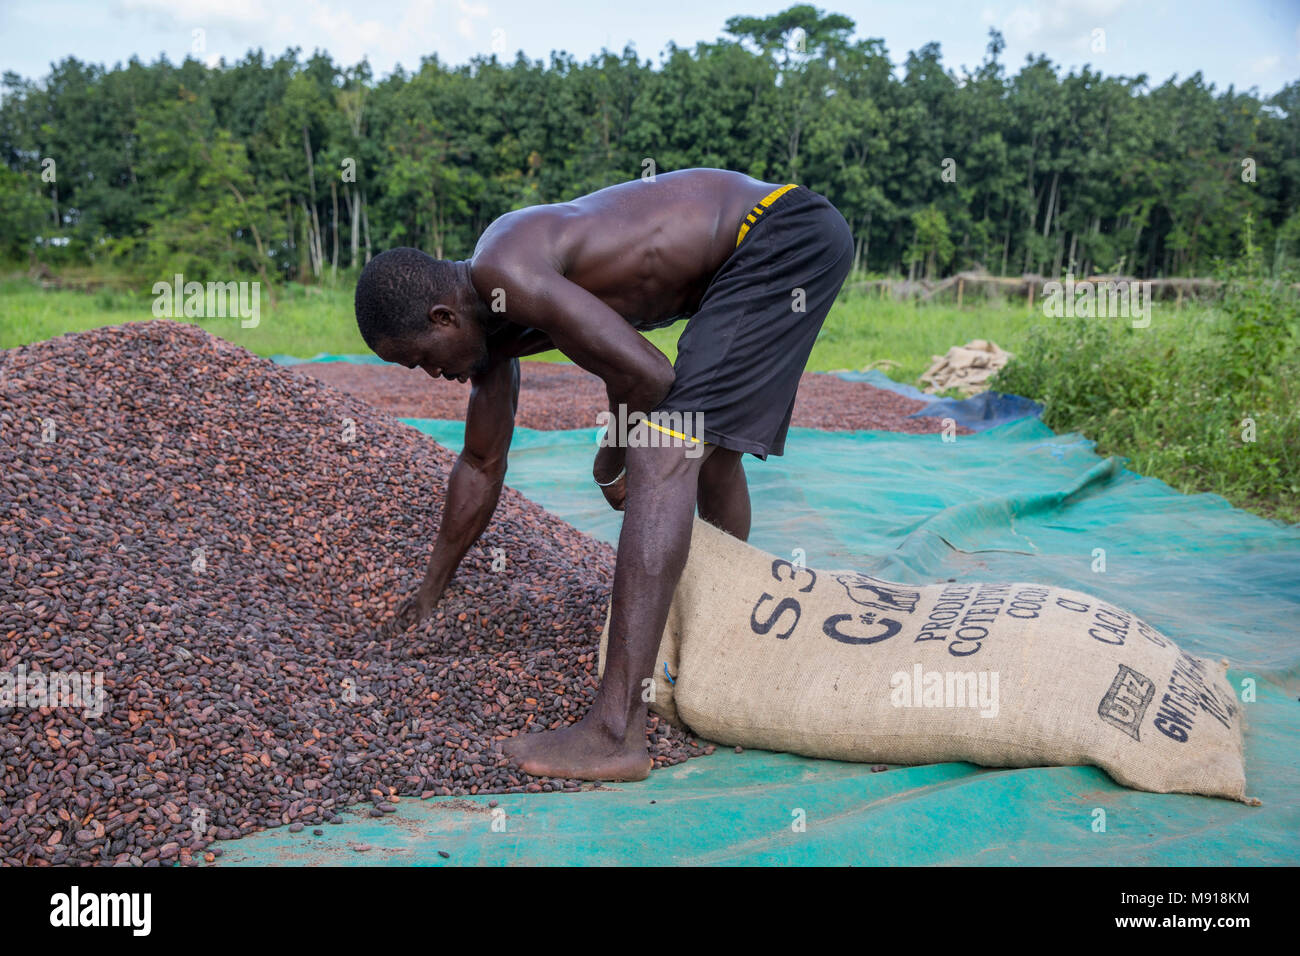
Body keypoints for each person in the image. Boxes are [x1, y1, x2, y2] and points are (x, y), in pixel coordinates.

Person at [353, 167, 853, 780]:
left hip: (777, 233)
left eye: (421, 362)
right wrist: (431, 590)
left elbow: (647, 374)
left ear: (442, 319)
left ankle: (615, 732)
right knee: (705, 443)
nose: (432, 377)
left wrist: (609, 460)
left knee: (661, 447)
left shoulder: (503, 268)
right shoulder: (493, 330)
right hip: (770, 246)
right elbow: (480, 465)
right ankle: (723, 626)